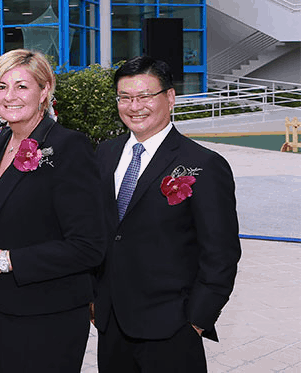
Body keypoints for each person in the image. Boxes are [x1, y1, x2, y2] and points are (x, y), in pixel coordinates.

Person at [93, 55, 241, 372]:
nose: (135, 106)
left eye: (145, 96)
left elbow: (221, 254)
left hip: (172, 328)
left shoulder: (204, 164)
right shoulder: (104, 154)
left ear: (170, 98)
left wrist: (197, 322)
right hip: (111, 324)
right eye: (125, 97)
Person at [0, 49, 106, 372]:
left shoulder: (70, 147)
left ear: (45, 91)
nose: (9, 96)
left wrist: (7, 260)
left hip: (49, 315)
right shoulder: (4, 140)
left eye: (22, 86)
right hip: (2, 312)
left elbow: (89, 246)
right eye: (1, 87)